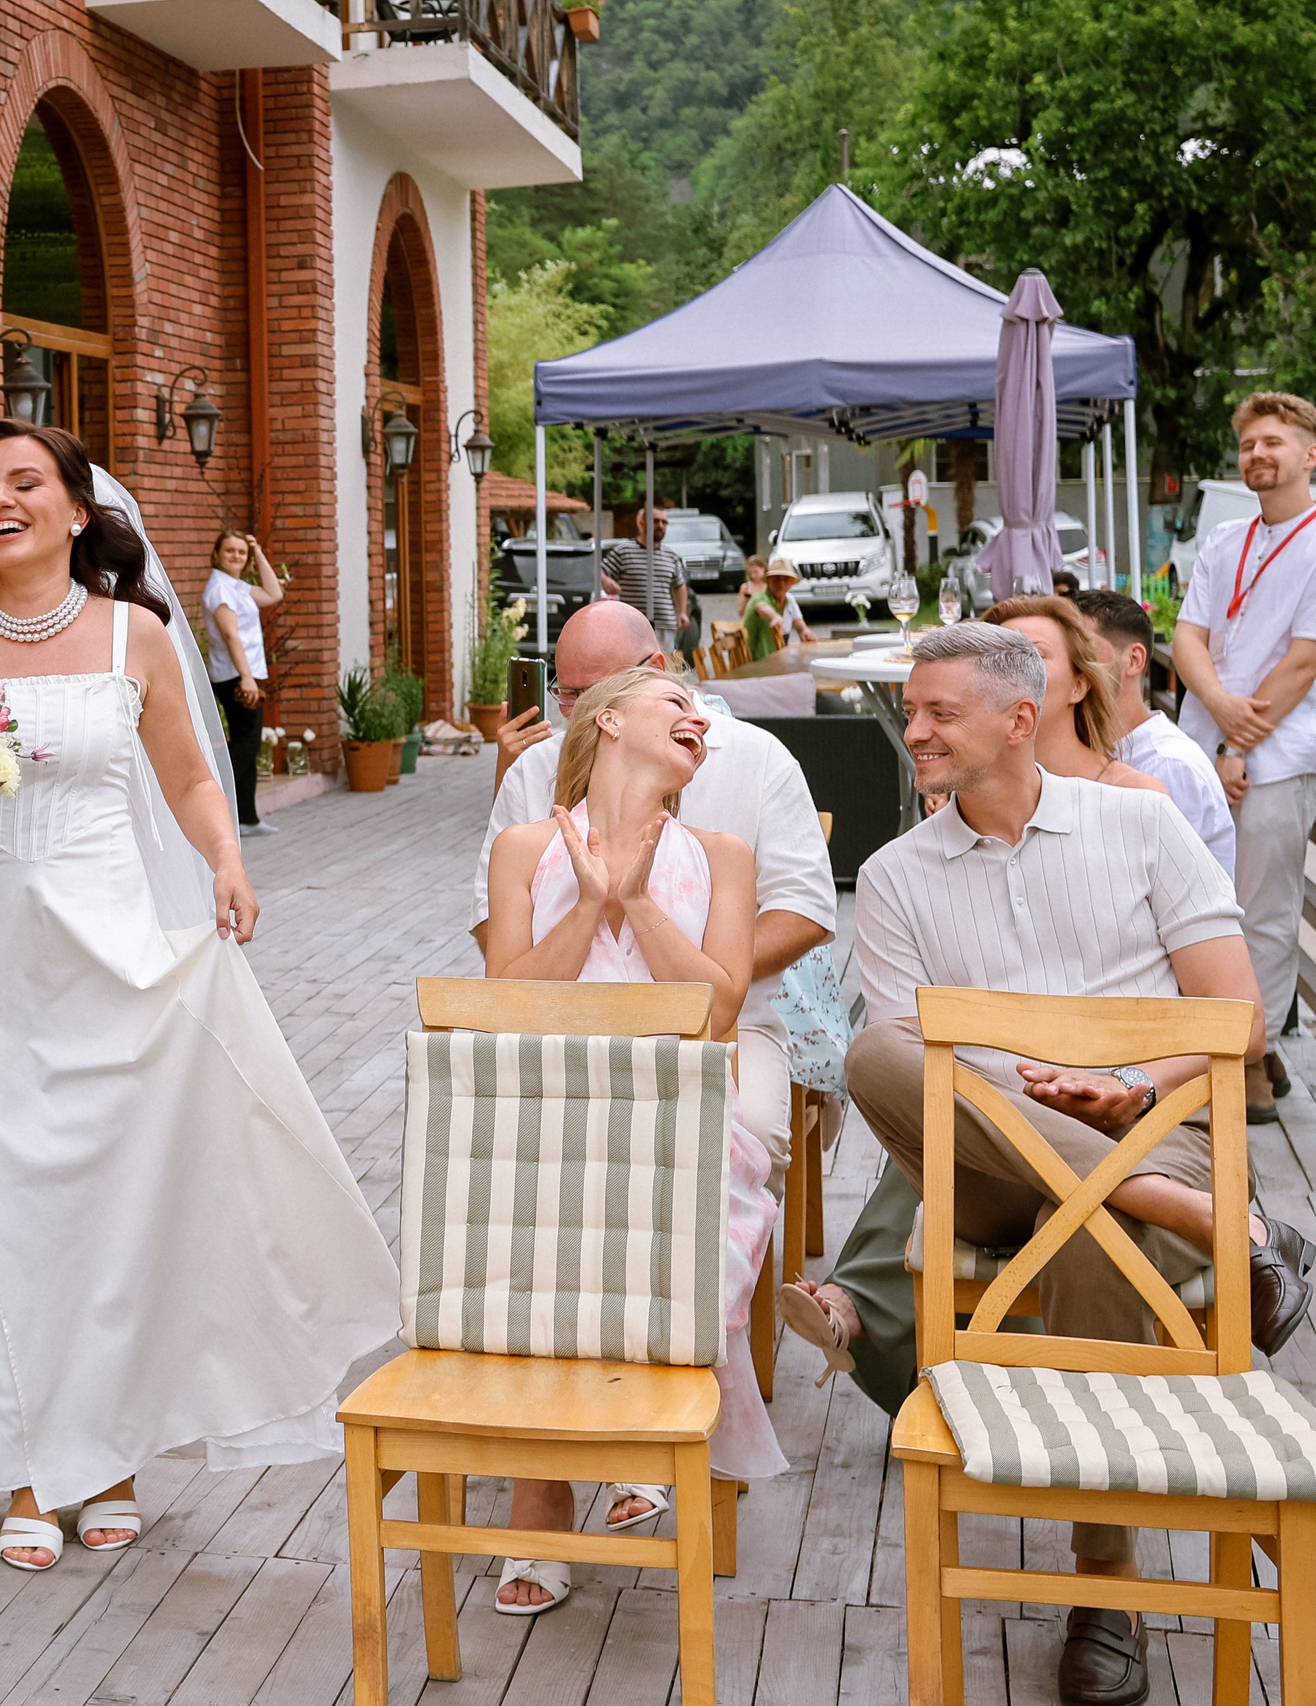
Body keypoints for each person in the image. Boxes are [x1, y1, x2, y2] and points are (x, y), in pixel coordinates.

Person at [0, 420, 396, 1571]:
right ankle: (35, 1466)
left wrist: (225, 858)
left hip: (117, 953)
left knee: (115, 1215)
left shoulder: (137, 633)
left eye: (25, 483)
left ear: (78, 509)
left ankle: (112, 1457)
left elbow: (183, 769)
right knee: (5, 1214)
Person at [828, 620, 1302, 1706]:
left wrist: (1129, 1086)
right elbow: (912, 1067)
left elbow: (1237, 1022)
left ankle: (1109, 1585)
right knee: (875, 1050)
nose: (914, 732)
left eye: (937, 712)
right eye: (911, 712)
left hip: (1154, 1120)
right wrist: (1040, 1105)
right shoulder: (896, 873)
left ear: (1019, 718)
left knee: (1089, 1218)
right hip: (982, 1149)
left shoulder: (1139, 824)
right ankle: (1208, 1221)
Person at [481, 666, 786, 1614]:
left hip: (679, 1108)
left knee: (681, 1194)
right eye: (675, 705)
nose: (701, 720)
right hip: (550, 1105)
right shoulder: (525, 845)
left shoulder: (724, 854)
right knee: (544, 1210)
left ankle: (620, 1443)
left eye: (703, 715)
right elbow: (508, 1010)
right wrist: (586, 902)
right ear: (608, 721)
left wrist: (640, 899)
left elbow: (719, 1010)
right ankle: (566, 1477)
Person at [476, 600, 835, 1186]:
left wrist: (664, 933)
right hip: (558, 1045)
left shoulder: (749, 774)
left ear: (661, 668)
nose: (576, 711)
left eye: (596, 690)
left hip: (702, 1046)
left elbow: (796, 922)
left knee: (740, 1132)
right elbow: (505, 978)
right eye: (567, 693)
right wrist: (589, 908)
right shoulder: (528, 792)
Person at [1173, 391, 1316, 1121]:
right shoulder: (1226, 539)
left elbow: (1302, 662)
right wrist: (1220, 720)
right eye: (1249, 445)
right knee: (1198, 901)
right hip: (1205, 743)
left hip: (1277, 750)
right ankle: (1227, 1039)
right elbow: (1188, 637)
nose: (1258, 455)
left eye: (1273, 443)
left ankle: (1252, 1062)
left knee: (1262, 908)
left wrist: (1235, 735)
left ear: (1309, 455)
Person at [1071, 587, 1235, 874]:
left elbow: (1187, 896)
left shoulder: (1169, 766)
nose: (1071, 664)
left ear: (1134, 660)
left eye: (1083, 650)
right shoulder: (1093, 744)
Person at [985, 595, 1169, 796]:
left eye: (1033, 654)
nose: (1008, 669)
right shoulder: (967, 797)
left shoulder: (1134, 794)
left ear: (1079, 686)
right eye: (994, 658)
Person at [201, 528, 285, 838]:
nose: (236, 556)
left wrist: (259, 552)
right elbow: (230, 634)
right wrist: (247, 678)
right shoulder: (220, 590)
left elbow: (274, 594)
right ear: (217, 555)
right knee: (246, 747)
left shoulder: (237, 587)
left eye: (241, 552)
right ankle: (208, 809)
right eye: (230, 551)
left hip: (247, 673)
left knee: (247, 746)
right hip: (235, 676)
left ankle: (247, 818)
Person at [599, 508, 688, 658]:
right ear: (641, 523)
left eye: (664, 522)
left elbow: (679, 585)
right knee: (635, 665)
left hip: (664, 624)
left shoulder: (670, 555)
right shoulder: (624, 550)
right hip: (632, 624)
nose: (660, 526)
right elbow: (600, 570)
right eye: (655, 521)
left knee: (663, 666)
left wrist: (682, 612)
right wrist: (606, 580)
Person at [739, 557, 813, 658]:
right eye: (777, 579)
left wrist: (805, 632)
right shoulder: (759, 597)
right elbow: (762, 607)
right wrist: (775, 617)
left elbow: (801, 628)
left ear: (791, 583)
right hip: (756, 664)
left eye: (786, 580)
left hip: (776, 661)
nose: (781, 583)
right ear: (768, 581)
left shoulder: (789, 600)